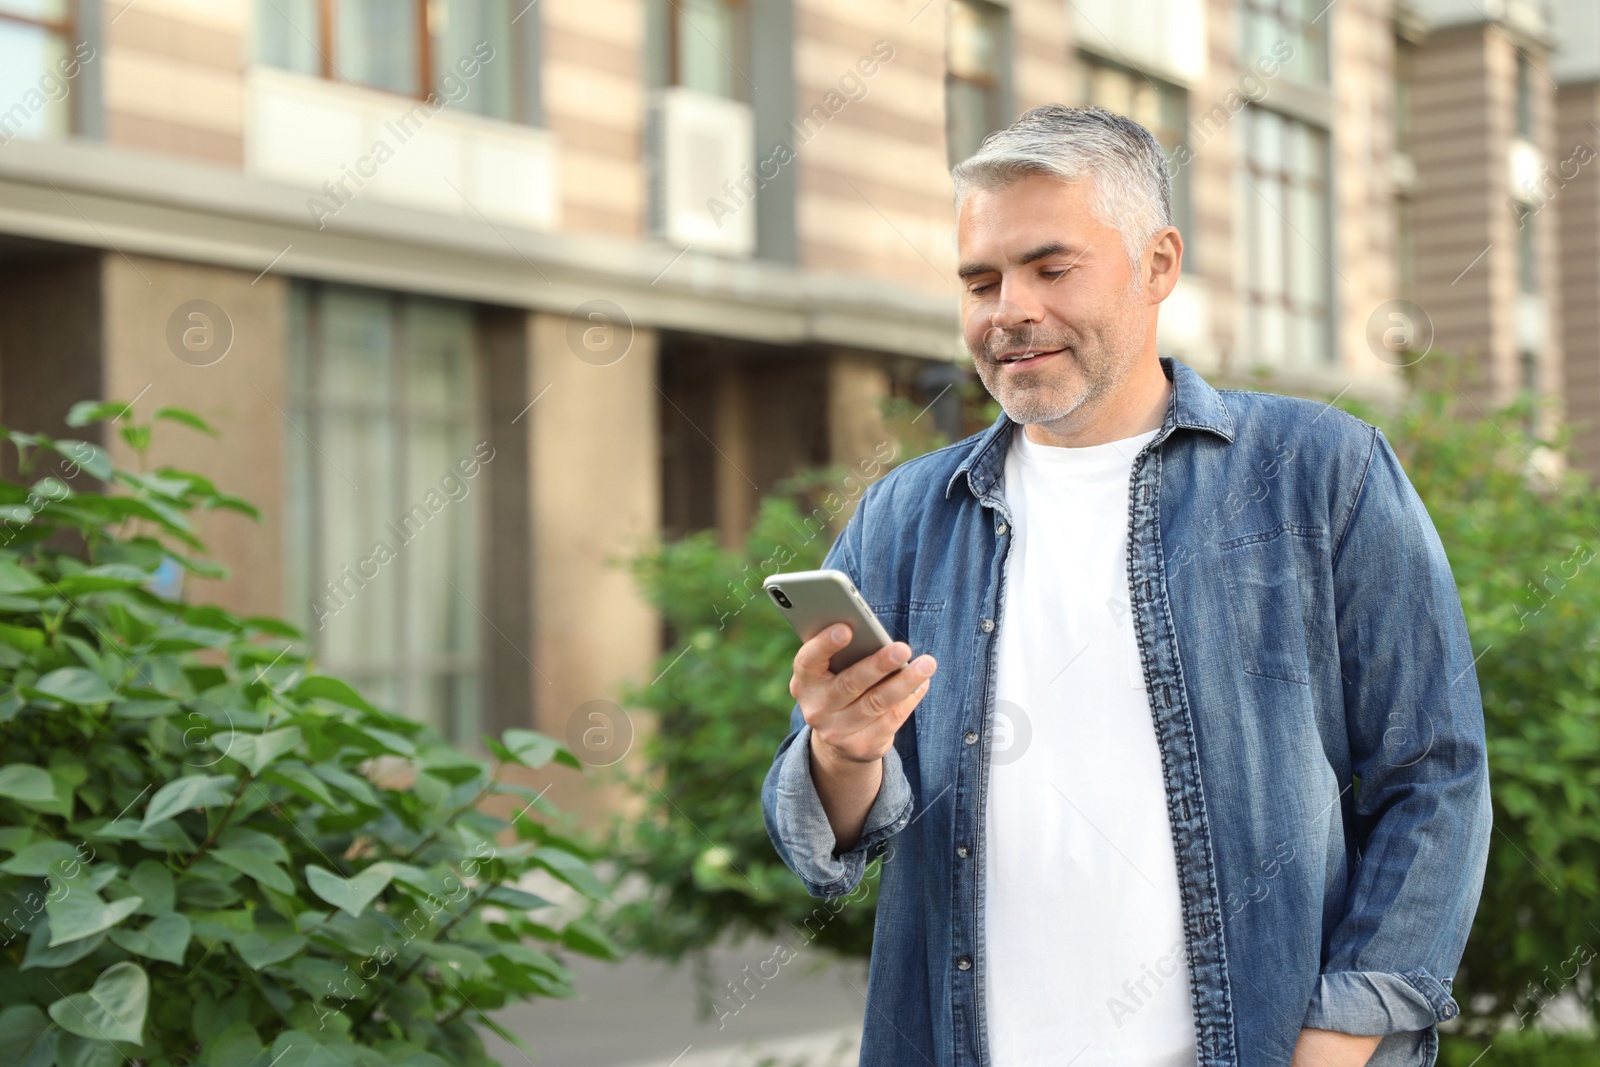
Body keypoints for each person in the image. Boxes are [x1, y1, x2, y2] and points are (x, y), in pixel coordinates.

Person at [760, 105, 1491, 1067]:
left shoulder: (1323, 472)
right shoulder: (906, 513)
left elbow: (1434, 774)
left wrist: (1344, 1031)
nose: (1007, 309)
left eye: (1050, 268)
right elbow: (825, 842)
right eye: (981, 281)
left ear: (1158, 263)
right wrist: (842, 753)